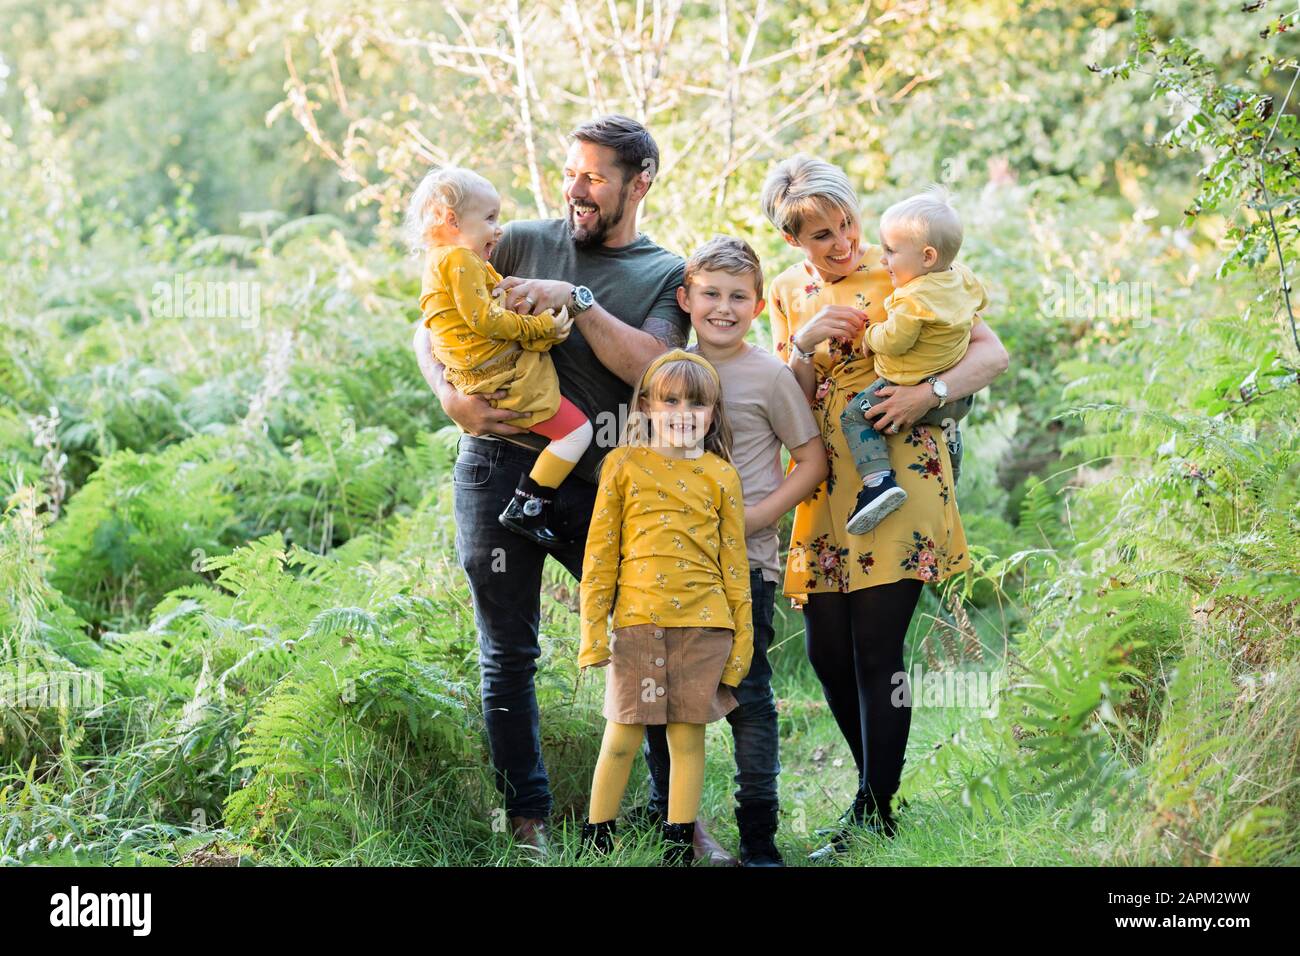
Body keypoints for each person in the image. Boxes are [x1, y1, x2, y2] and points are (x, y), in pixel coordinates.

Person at [411, 115, 692, 854]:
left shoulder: (666, 273)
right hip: (496, 467)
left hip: (600, 479)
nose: (576, 189)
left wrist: (577, 298)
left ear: (641, 183)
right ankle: (528, 824)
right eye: (572, 172)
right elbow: (434, 313)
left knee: (647, 641)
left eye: (595, 176)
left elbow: (656, 370)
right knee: (508, 655)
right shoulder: (518, 238)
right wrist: (447, 393)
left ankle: (680, 825)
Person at [760, 154, 1009, 859]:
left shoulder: (906, 265)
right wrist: (805, 344)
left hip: (901, 466)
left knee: (875, 646)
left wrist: (925, 394)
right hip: (821, 476)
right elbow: (787, 398)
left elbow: (991, 355)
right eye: (821, 236)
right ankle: (876, 799)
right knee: (826, 650)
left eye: (846, 225)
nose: (842, 244)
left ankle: (871, 810)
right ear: (792, 241)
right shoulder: (784, 291)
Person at [636, 236, 826, 866]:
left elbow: (811, 459)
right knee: (663, 700)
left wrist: (759, 517)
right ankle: (676, 837)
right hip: (671, 568)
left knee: (748, 695)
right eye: (710, 294)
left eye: (738, 296)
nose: (723, 307)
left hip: (744, 566)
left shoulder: (769, 375)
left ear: (757, 304)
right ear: (686, 298)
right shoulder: (671, 375)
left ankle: (760, 841)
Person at [577, 350, 753, 865]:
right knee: (622, 737)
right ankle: (597, 841)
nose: (683, 411)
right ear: (648, 406)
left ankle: (678, 848)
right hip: (638, 624)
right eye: (671, 399)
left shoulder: (722, 475)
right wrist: (592, 635)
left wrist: (740, 646)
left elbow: (735, 566)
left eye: (697, 403)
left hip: (705, 627)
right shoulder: (623, 465)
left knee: (686, 741)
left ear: (713, 414)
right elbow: (600, 553)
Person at [407, 165, 593, 548]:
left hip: (485, 377)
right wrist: (541, 329)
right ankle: (530, 505)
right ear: (453, 221)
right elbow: (486, 320)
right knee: (577, 432)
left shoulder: (445, 262)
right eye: (490, 218)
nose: (499, 228)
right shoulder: (458, 260)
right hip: (501, 379)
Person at [839, 184, 989, 534]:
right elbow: (978, 304)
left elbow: (895, 339)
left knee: (855, 418)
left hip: (904, 387)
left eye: (891, 251)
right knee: (945, 423)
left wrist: (870, 336)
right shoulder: (963, 278)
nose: (883, 259)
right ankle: (951, 452)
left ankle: (878, 482)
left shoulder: (912, 300)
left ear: (927, 257)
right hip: (954, 395)